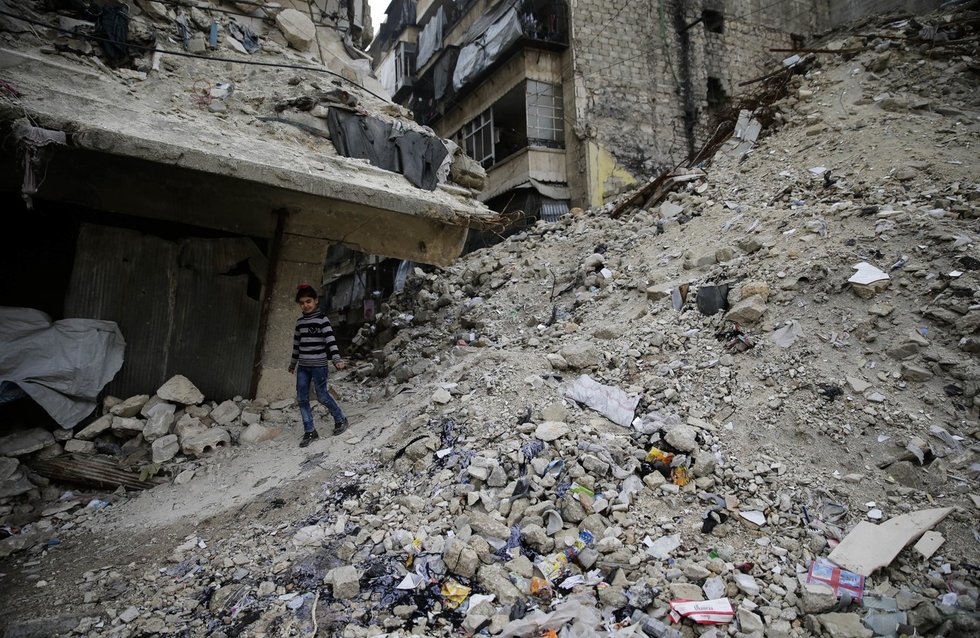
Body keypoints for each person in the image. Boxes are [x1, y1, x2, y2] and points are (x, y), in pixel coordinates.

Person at [288, 284, 349, 447]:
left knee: (322, 396)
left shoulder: (323, 320)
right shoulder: (300, 323)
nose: (305, 305)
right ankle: (310, 431)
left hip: (319, 366)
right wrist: (292, 364)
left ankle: (340, 419)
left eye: (308, 301)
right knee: (302, 398)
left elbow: (331, 341)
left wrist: (336, 359)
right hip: (303, 367)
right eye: (302, 303)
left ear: (315, 301)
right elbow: (296, 346)